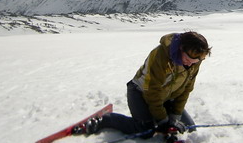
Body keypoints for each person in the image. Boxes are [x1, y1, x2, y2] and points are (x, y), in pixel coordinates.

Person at [76, 31, 212, 137]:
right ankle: (105, 120)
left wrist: (174, 116)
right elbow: (152, 90)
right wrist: (163, 120)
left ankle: (160, 116)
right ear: (181, 49)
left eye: (196, 61)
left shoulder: (195, 59)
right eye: (188, 59)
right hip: (140, 93)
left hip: (165, 98)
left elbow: (186, 89)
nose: (191, 64)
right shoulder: (160, 56)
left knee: (189, 128)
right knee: (145, 130)